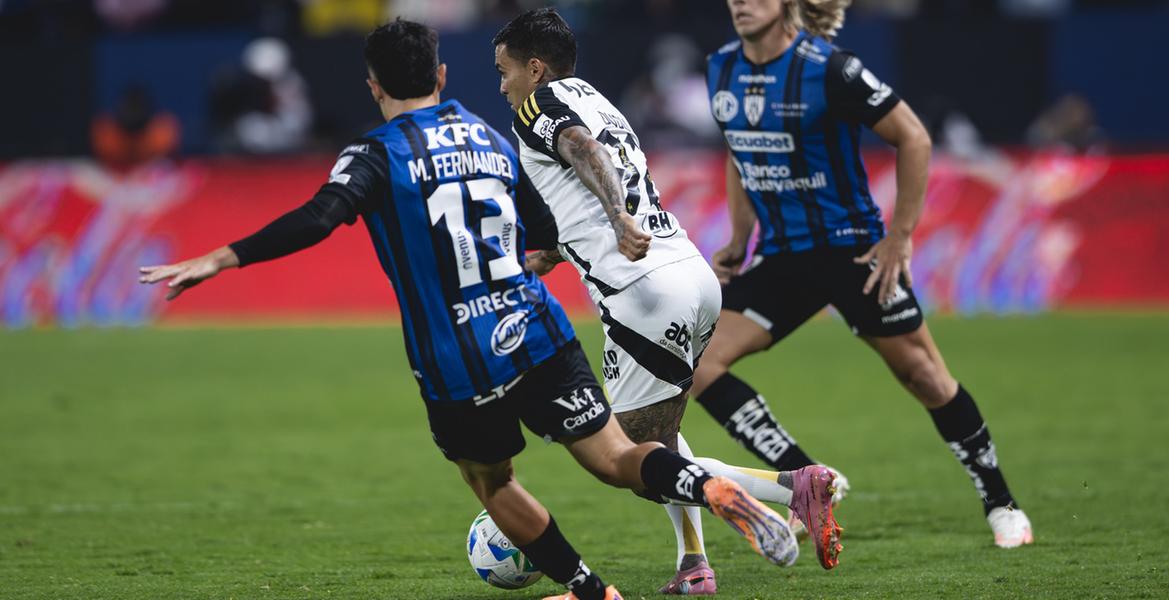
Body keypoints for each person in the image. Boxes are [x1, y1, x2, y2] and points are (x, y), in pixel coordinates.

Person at [138, 19, 800, 600]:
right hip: (536, 326)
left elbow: (319, 218)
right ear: (442, 73)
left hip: (459, 357)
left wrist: (221, 257)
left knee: (493, 482)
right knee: (615, 457)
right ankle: (709, 488)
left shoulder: (375, 154)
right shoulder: (486, 136)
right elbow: (542, 224)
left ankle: (592, 591)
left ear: (373, 85)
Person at [492, 9, 841, 595]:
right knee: (663, 440)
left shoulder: (540, 106)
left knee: (629, 459)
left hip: (642, 292)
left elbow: (581, 152)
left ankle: (790, 488)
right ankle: (693, 565)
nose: (502, 86)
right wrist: (560, 247)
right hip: (690, 274)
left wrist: (616, 218)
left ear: (535, 68)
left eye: (505, 72)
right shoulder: (596, 98)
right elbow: (590, 167)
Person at [695, 0, 1034, 549]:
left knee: (923, 376)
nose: (740, 2)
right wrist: (739, 237)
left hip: (853, 254)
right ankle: (808, 479)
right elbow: (741, 154)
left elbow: (914, 137)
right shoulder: (721, 68)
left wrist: (899, 236)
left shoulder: (832, 68)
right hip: (783, 258)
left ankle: (1001, 502)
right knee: (700, 364)